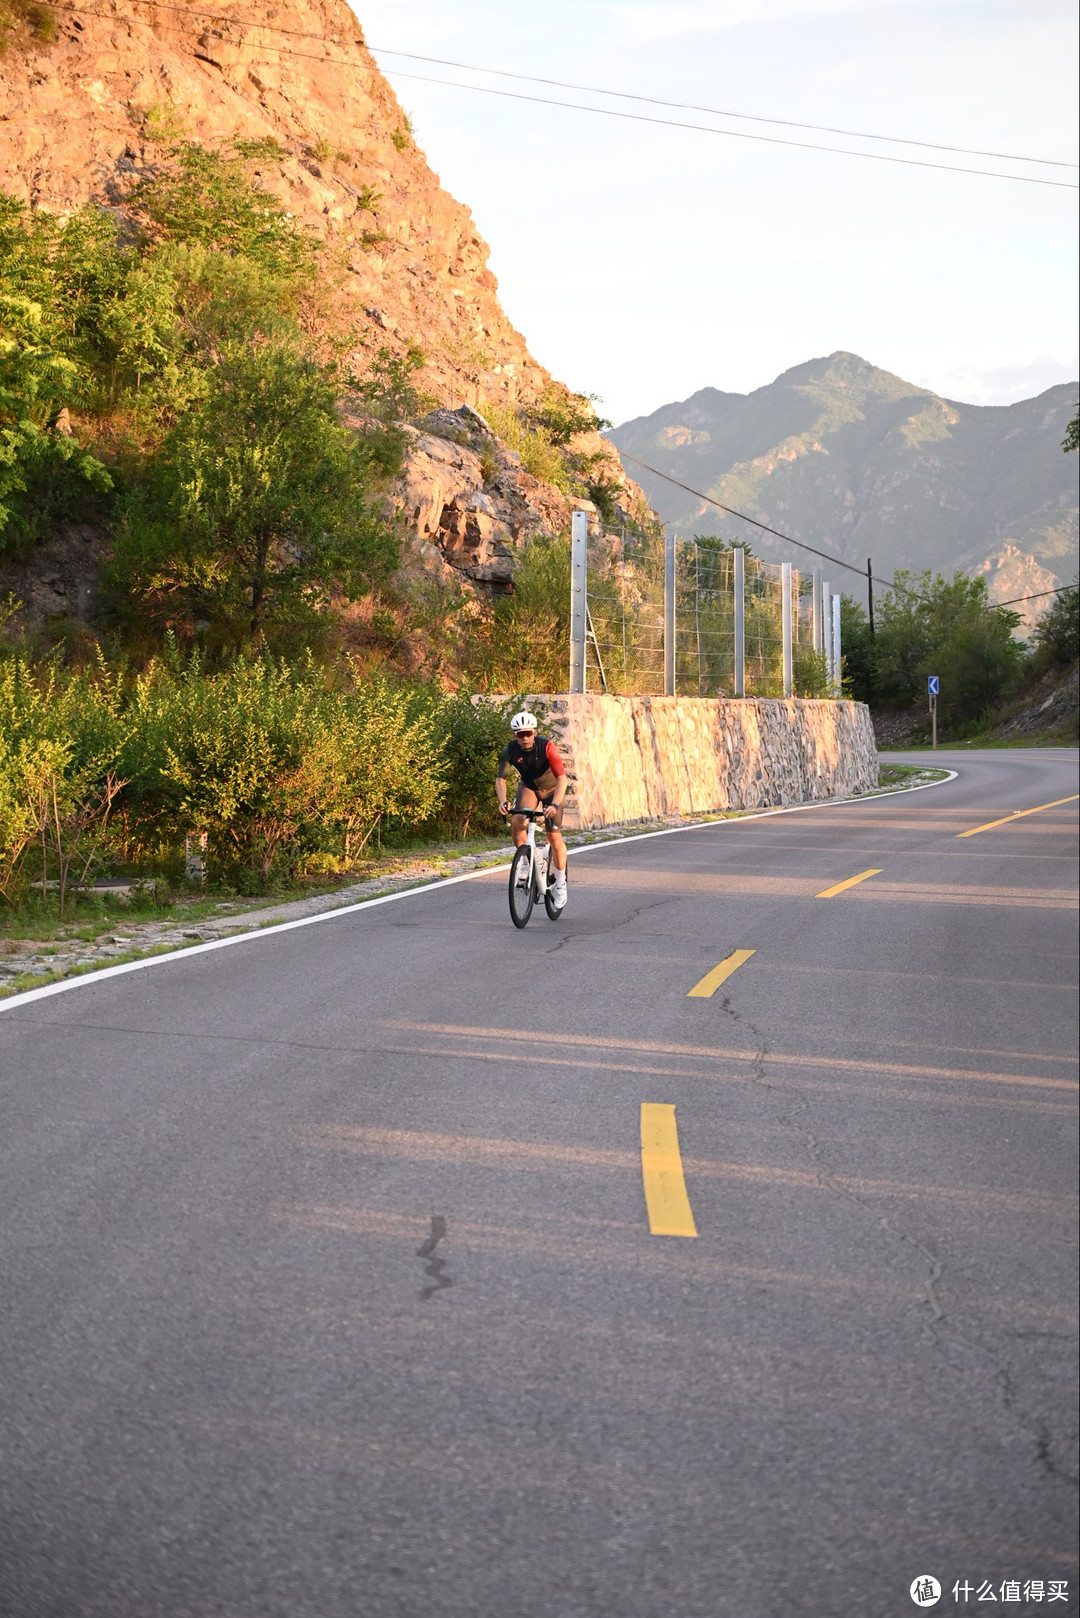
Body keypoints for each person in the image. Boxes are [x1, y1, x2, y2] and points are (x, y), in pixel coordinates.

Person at [495, 710, 568, 910]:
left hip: (552, 789)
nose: (525, 738)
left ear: (534, 732)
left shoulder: (546, 747)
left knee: (554, 836)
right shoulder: (510, 750)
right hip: (529, 787)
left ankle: (560, 883)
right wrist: (503, 800)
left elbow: (562, 778)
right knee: (518, 819)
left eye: (528, 733)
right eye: (520, 734)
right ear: (515, 736)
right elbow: (501, 779)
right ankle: (527, 860)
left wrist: (554, 805)